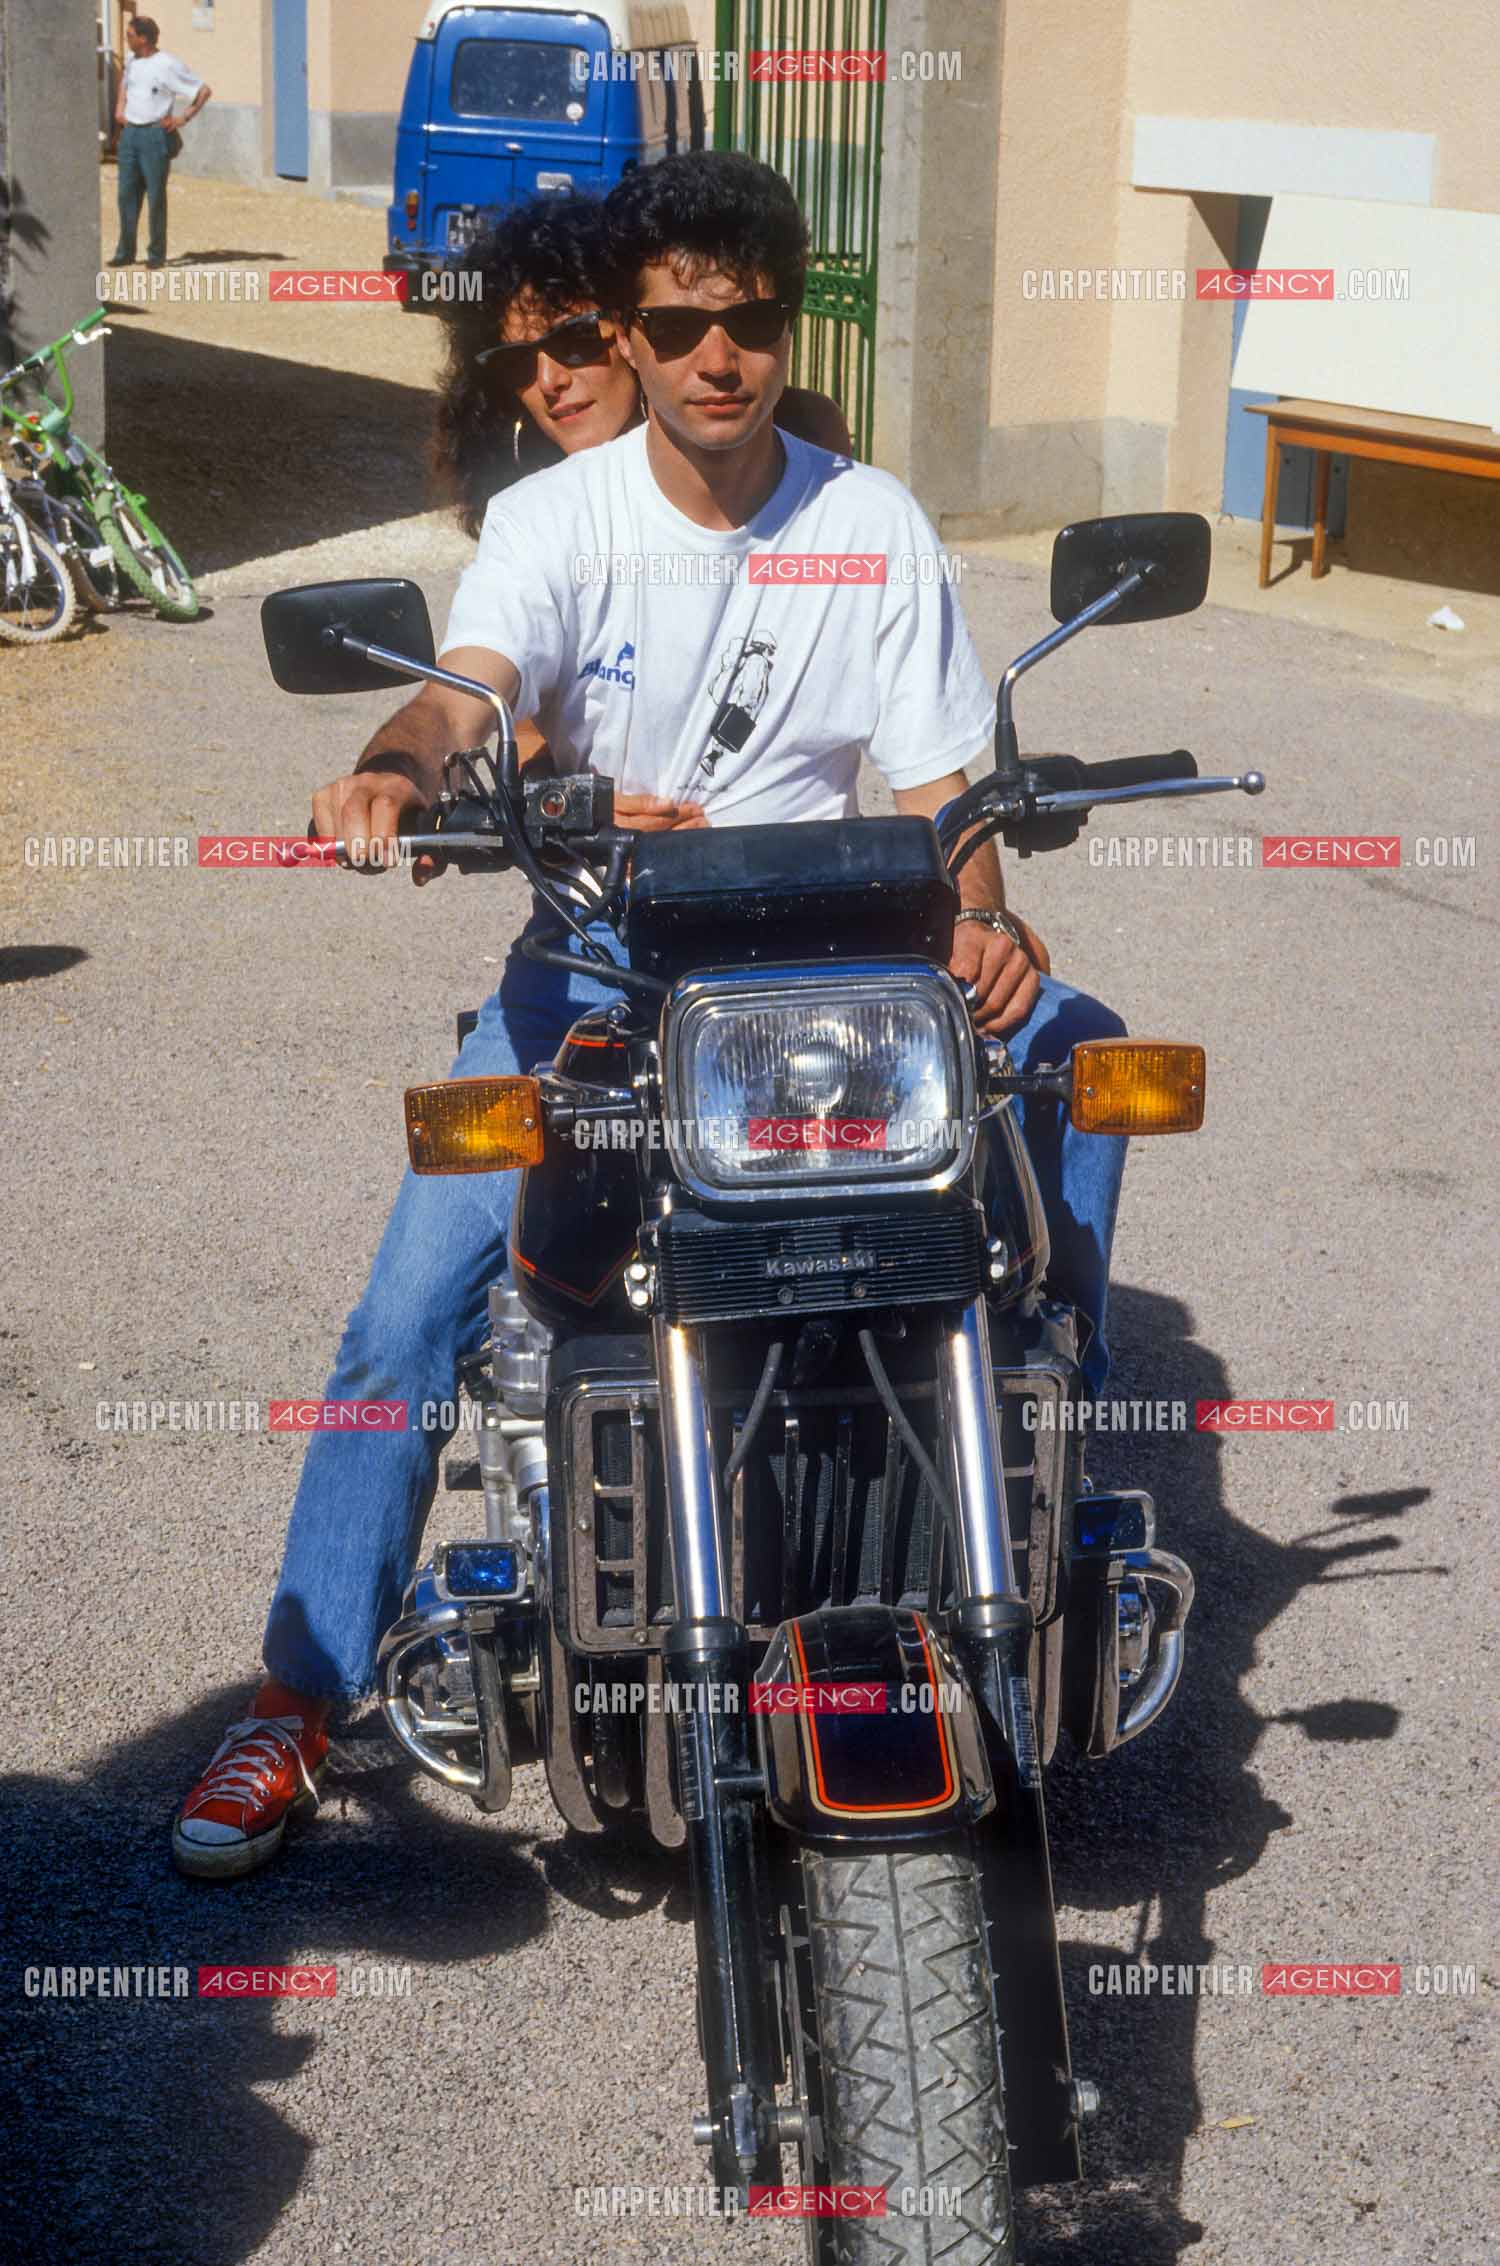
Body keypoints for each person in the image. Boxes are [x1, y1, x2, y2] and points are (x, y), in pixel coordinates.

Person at [171, 152, 1124, 1881]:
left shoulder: (871, 523)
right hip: (601, 973)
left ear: (788, 324)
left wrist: (984, 916)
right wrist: (391, 766)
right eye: (678, 326)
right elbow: (469, 692)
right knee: (403, 1318)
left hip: (832, 970)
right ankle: (296, 1700)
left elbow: (944, 784)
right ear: (630, 333)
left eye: (747, 320)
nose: (715, 356)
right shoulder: (559, 522)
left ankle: (1050, 1495)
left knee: (1082, 1049)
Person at [109, 15, 211, 271]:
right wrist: (119, 108)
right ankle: (125, 252)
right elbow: (125, 85)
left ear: (143, 39)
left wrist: (183, 118)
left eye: (130, 35)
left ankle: (156, 254)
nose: (126, 39)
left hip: (154, 135)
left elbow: (203, 91)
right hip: (130, 134)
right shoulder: (132, 61)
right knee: (125, 195)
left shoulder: (168, 64)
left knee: (155, 196)